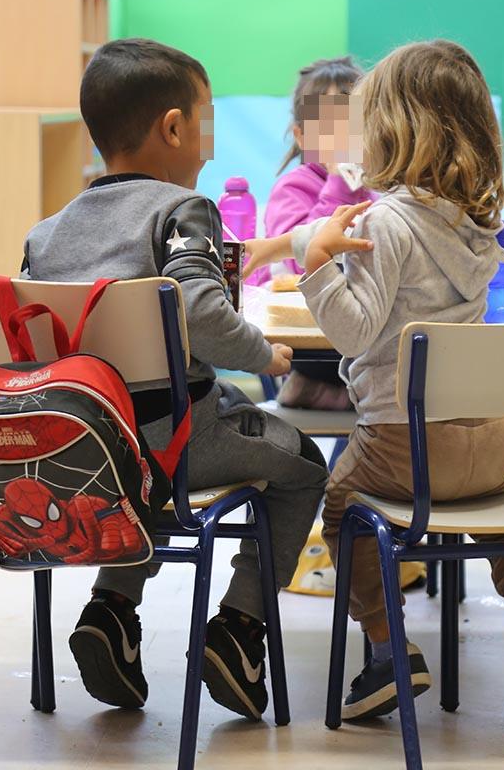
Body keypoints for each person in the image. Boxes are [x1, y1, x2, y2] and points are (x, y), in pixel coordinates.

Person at [244, 39, 504, 722]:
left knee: (340, 511)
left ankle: (391, 651)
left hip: (400, 446)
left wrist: (317, 268)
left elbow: (356, 332)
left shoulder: (388, 222)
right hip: (493, 446)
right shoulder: (482, 222)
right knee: (503, 526)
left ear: (392, 130)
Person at [21, 38, 329, 720]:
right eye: (207, 125)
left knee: (155, 467)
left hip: (75, 455)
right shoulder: (180, 211)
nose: (210, 150)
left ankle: (110, 610)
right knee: (303, 463)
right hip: (166, 444)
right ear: (173, 128)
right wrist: (266, 355)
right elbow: (199, 309)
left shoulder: (46, 236)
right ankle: (240, 629)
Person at [265, 56, 374, 411]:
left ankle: (338, 397)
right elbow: (300, 267)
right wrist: (339, 185)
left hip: (361, 333)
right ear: (301, 136)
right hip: (311, 341)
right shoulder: (293, 188)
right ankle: (318, 386)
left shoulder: (377, 190)